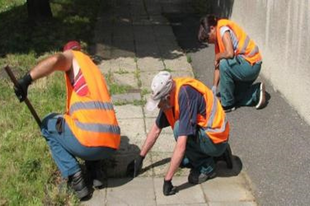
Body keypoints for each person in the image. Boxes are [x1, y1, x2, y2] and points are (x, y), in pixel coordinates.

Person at [14, 41, 121, 199]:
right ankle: (95, 171)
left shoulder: (73, 56)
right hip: (112, 143)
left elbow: (56, 60)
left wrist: (26, 80)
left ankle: (75, 176)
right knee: (84, 124)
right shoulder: (93, 69)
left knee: (48, 124)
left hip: (90, 141)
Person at [127, 71, 231, 196]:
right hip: (209, 137)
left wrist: (167, 180)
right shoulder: (169, 98)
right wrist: (140, 158)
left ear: (167, 98)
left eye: (159, 103)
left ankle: (208, 168)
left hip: (217, 138)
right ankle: (218, 155)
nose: (159, 107)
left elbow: (182, 143)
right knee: (182, 162)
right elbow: (155, 130)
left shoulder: (186, 95)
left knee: (178, 129)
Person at [198, 15, 266, 112]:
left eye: (208, 39)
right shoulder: (218, 40)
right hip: (246, 66)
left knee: (224, 64)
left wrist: (218, 57)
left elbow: (229, 54)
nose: (210, 42)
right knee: (231, 94)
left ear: (212, 28)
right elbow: (217, 67)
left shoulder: (223, 30)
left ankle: (227, 105)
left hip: (251, 65)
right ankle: (255, 93)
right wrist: (213, 88)